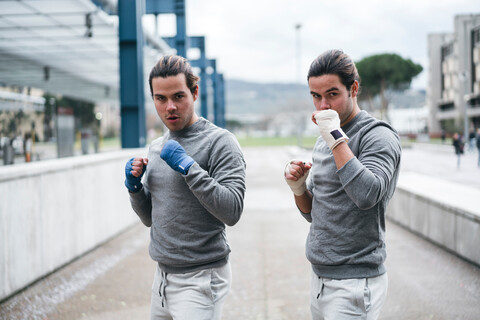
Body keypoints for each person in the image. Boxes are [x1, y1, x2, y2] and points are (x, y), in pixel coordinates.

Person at [124, 55, 246, 320]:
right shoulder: (156, 147)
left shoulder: (220, 142)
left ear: (195, 92)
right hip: (162, 279)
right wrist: (135, 188)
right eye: (161, 98)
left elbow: (232, 211)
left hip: (201, 278)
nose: (170, 107)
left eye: (178, 97)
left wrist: (189, 168)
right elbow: (150, 219)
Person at [284, 49, 401, 320]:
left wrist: (336, 138)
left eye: (332, 94)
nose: (323, 106)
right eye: (316, 96)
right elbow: (315, 214)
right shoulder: (323, 137)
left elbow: (367, 195)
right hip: (321, 277)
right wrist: (299, 188)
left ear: (354, 88)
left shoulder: (378, 135)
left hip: (356, 283)